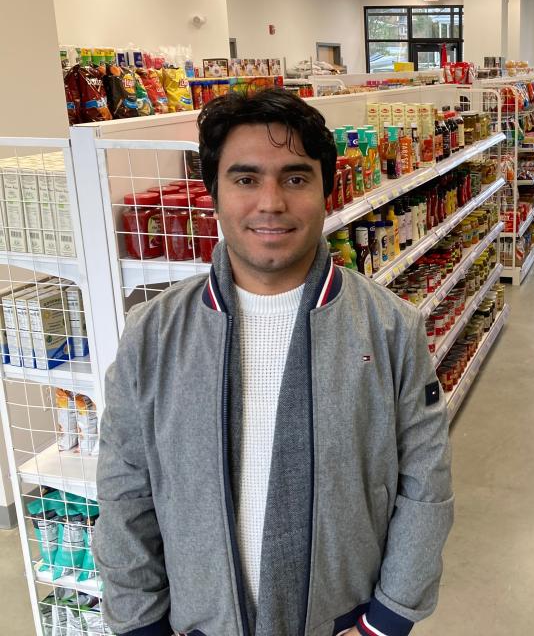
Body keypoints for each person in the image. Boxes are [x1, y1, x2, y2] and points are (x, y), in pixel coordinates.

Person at [95, 89, 454, 636]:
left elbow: (425, 485)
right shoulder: (154, 334)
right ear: (213, 194)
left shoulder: (390, 328)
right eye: (245, 179)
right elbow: (124, 496)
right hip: (199, 623)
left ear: (325, 192)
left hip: (343, 621)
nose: (270, 202)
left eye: (294, 178)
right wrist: (140, 625)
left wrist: (388, 619)